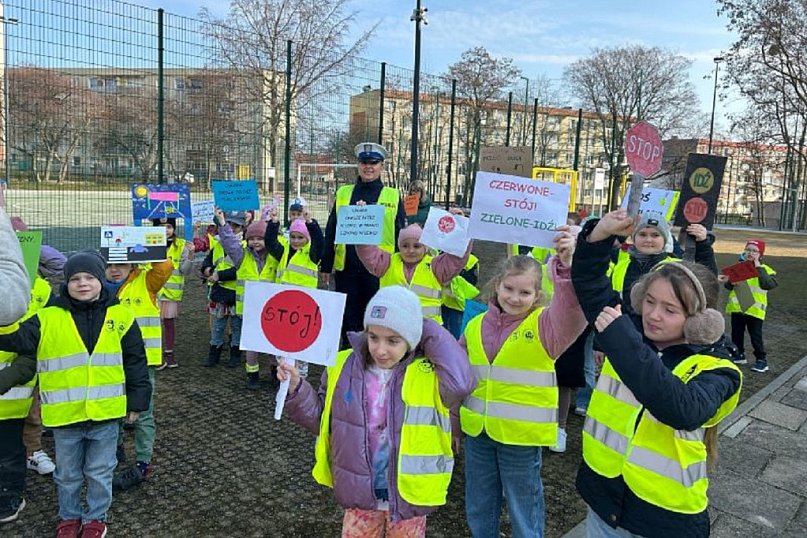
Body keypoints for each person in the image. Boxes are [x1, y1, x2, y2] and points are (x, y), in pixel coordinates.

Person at [571, 209, 742, 538]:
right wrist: (598, 235)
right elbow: (590, 284)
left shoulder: (718, 369)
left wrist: (622, 340)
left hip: (663, 518)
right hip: (603, 497)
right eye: (648, 301)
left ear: (699, 321)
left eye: (669, 309)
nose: (652, 316)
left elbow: (680, 408)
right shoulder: (629, 330)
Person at [278, 286, 475, 536]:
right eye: (373, 337)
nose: (380, 350)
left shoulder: (429, 374)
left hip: (408, 498)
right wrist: (296, 389)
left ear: (413, 338)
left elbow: (461, 382)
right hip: (361, 495)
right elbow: (321, 419)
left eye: (393, 340)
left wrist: (423, 324)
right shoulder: (342, 365)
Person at [0, 250, 151, 536]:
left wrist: (137, 400)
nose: (83, 284)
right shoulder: (47, 318)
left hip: (106, 415)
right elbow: (17, 338)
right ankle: (68, 518)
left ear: (101, 280)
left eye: (90, 277)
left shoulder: (121, 316)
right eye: (75, 279)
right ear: (66, 283)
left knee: (99, 472)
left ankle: (96, 519)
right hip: (65, 418)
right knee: (67, 475)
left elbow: (135, 361)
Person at [459, 226, 587, 538]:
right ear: (496, 286)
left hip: (521, 437)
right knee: (479, 500)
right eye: (509, 289)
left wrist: (568, 266)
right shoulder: (475, 325)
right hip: (478, 431)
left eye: (525, 292)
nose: (515, 298)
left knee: (523, 502)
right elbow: (458, 373)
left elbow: (572, 309)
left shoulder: (546, 326)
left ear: (538, 295)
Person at [320, 142, 406, 346]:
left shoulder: (393, 195)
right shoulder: (343, 193)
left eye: (373, 163)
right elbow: (332, 228)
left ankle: (371, 362)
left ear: (381, 166)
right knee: (348, 319)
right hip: (347, 268)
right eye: (364, 162)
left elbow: (401, 232)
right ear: (358, 165)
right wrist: (326, 263)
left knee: (375, 319)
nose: (368, 167)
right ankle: (348, 361)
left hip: (379, 270)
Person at [105, 253, 172, 492]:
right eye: (109, 265)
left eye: (120, 264)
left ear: (132, 264)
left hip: (142, 364)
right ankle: (117, 448)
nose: (114, 270)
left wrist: (148, 246)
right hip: (110, 363)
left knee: (143, 413)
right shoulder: (99, 290)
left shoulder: (146, 281)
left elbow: (164, 267)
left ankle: (143, 462)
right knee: (114, 410)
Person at [608, 212, 717, 329]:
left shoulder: (675, 266)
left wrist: (703, 245)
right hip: (623, 330)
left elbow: (708, 282)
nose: (648, 240)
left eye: (655, 235)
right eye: (642, 234)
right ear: (634, 237)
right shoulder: (619, 262)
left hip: (660, 334)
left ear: (665, 239)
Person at [356, 220, 469, 325]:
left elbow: (458, 257)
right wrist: (363, 220)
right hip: (391, 326)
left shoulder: (436, 266)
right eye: (405, 246)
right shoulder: (386, 263)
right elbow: (367, 251)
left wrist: (461, 225)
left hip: (427, 329)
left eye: (417, 246)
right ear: (399, 247)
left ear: (425, 248)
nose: (411, 250)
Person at [0, 195, 32, 524]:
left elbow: (31, 353)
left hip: (9, 395)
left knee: (10, 450)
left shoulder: (35, 294)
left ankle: (11, 491)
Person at [264, 206, 324, 384]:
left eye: (300, 238)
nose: (296, 241)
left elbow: (320, 242)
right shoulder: (283, 252)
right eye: (293, 237)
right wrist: (273, 224)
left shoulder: (312, 255)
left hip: (303, 307)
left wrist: (311, 224)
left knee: (301, 346)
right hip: (283, 305)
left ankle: (300, 380)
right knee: (281, 344)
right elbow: (270, 242)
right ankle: (284, 376)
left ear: (307, 239)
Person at [217, 208, 274, 389]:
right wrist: (222, 223)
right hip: (249, 309)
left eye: (260, 238)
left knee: (273, 343)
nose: (255, 242)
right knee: (252, 344)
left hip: (271, 309)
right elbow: (229, 243)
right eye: (252, 239)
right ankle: (252, 374)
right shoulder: (242, 256)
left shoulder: (275, 257)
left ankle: (275, 370)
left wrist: (272, 220)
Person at [201, 211, 246, 368]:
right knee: (218, 326)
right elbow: (207, 262)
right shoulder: (218, 245)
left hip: (236, 294)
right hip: (219, 293)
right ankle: (214, 353)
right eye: (229, 225)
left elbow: (240, 270)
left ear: (242, 227)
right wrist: (206, 270)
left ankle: (235, 355)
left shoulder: (245, 247)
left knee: (236, 326)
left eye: (236, 226)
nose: (232, 228)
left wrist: (219, 275)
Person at [725, 239, 777, 373]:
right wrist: (732, 282)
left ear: (761, 254)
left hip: (754, 310)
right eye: (748, 250)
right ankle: (739, 354)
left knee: (755, 336)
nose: (750, 253)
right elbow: (727, 285)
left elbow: (768, 284)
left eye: (754, 251)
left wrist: (758, 267)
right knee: (736, 334)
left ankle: (761, 360)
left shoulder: (765, 270)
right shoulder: (739, 267)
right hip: (737, 308)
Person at [151, 217, 195, 370]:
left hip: (170, 293)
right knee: (153, 324)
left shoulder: (182, 245)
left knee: (168, 323)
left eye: (169, 226)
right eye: (161, 226)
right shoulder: (148, 242)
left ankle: (169, 353)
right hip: (152, 291)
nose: (165, 230)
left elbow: (185, 270)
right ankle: (155, 354)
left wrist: (190, 255)